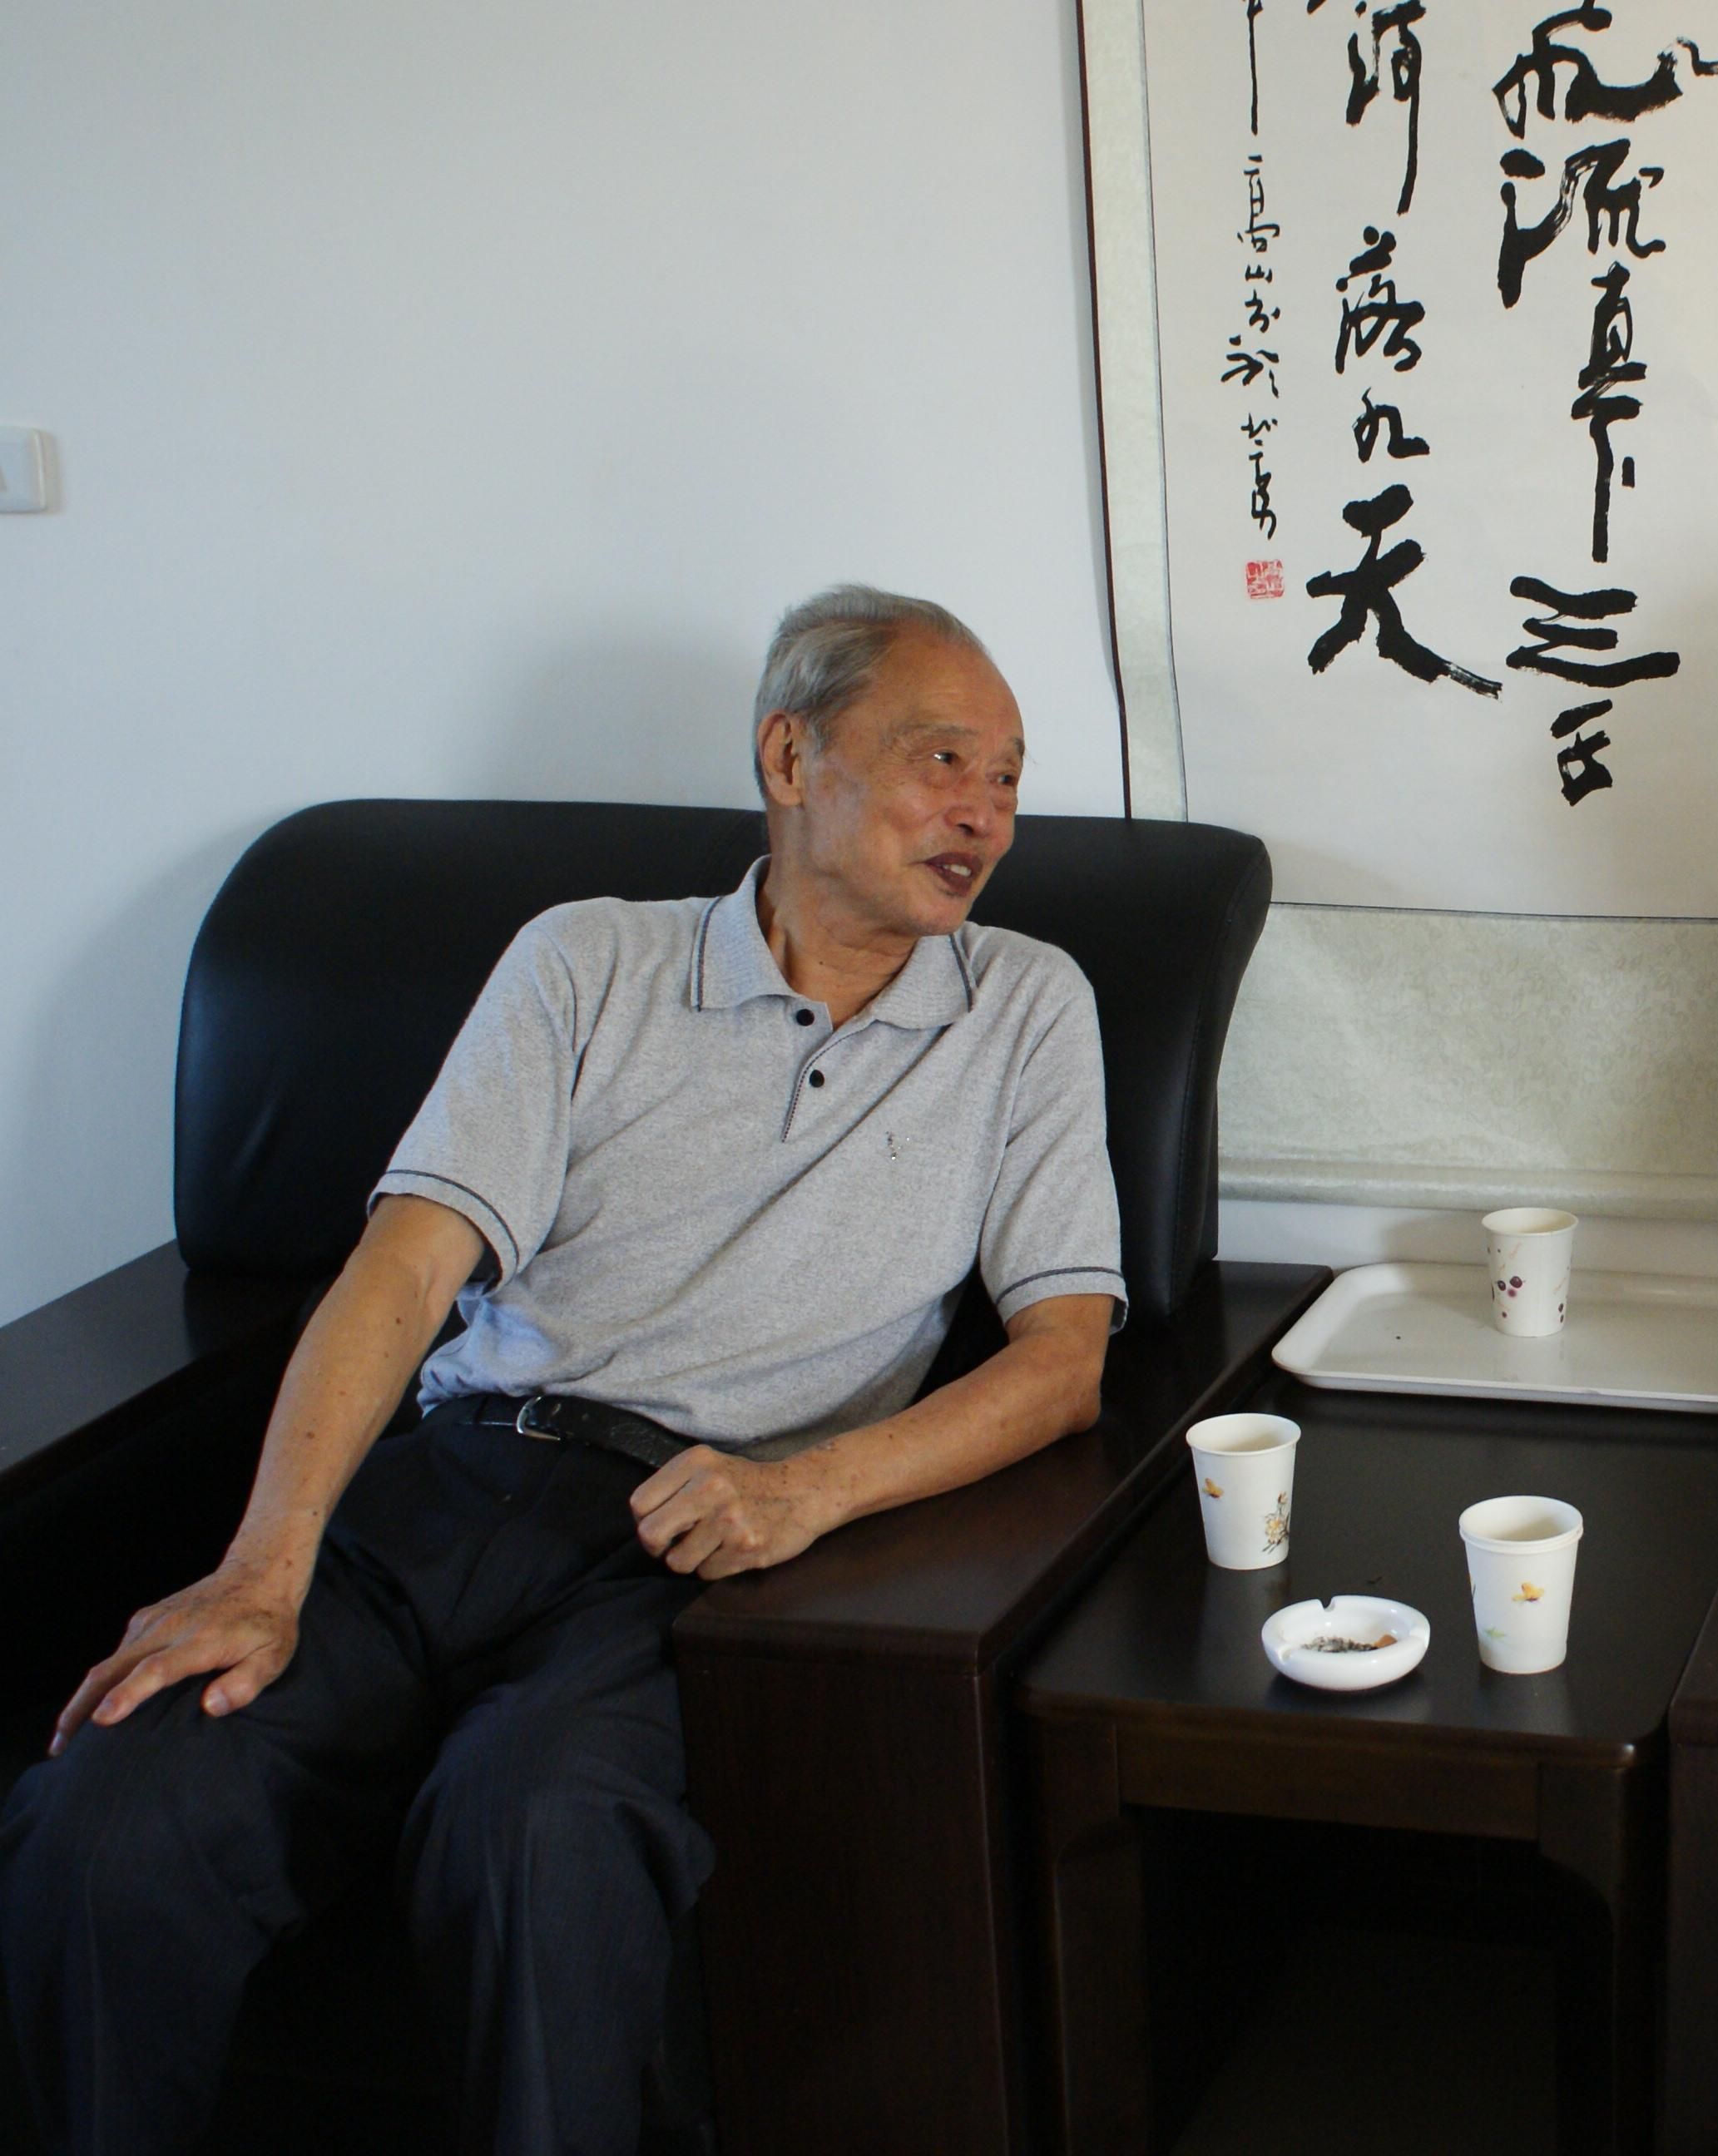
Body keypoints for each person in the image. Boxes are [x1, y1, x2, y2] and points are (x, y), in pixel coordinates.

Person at [0, 586, 1128, 2156]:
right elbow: (406, 1269)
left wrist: (808, 1492)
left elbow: (1064, 1364)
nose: (986, 817)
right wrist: (264, 1565)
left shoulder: (1024, 1007)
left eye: (1007, 777)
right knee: (108, 1816)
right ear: (789, 757)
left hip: (701, 1536)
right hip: (456, 1484)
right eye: (945, 761)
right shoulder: (589, 960)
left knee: (535, 1830)